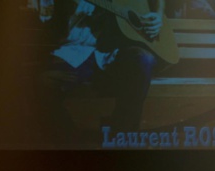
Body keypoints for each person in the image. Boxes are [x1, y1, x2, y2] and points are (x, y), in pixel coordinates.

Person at [28, 0, 169, 134]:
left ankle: (123, 135)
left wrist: (158, 15)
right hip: (78, 50)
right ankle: (71, 145)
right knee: (44, 82)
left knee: (145, 60)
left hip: (117, 52)